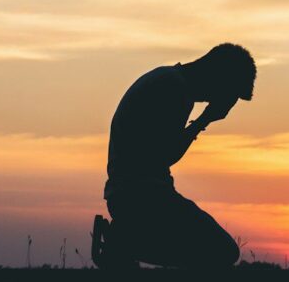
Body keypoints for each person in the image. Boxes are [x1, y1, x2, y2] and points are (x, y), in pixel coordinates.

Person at [91, 44, 255, 269]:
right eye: (230, 93)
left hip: (134, 193)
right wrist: (204, 119)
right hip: (141, 197)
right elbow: (166, 155)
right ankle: (125, 242)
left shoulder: (168, 82)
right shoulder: (174, 89)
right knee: (221, 251)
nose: (227, 101)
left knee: (207, 251)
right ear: (219, 78)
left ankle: (124, 242)